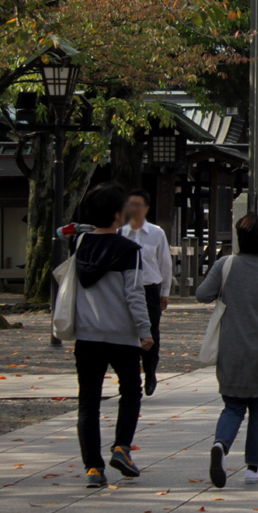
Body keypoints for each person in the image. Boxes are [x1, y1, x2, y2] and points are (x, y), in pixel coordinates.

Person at [199, 213, 258, 488]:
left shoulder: (225, 265)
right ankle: (253, 468)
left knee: (233, 406)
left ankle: (220, 444)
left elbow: (202, 294)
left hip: (232, 347)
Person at [72, 183, 154, 488]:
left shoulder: (79, 244)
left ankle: (93, 468)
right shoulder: (129, 250)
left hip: (88, 334)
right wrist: (145, 330)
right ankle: (121, 447)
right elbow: (134, 294)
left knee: (88, 401)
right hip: (122, 335)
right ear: (118, 215)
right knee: (131, 391)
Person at [118, 188, 172, 396]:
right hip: (127, 288)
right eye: (130, 205)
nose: (134, 209)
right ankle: (132, 375)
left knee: (151, 331)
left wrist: (165, 291)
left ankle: (150, 372)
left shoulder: (157, 233)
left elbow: (164, 263)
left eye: (138, 205)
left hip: (150, 288)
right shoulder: (120, 233)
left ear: (146, 208)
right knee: (128, 331)